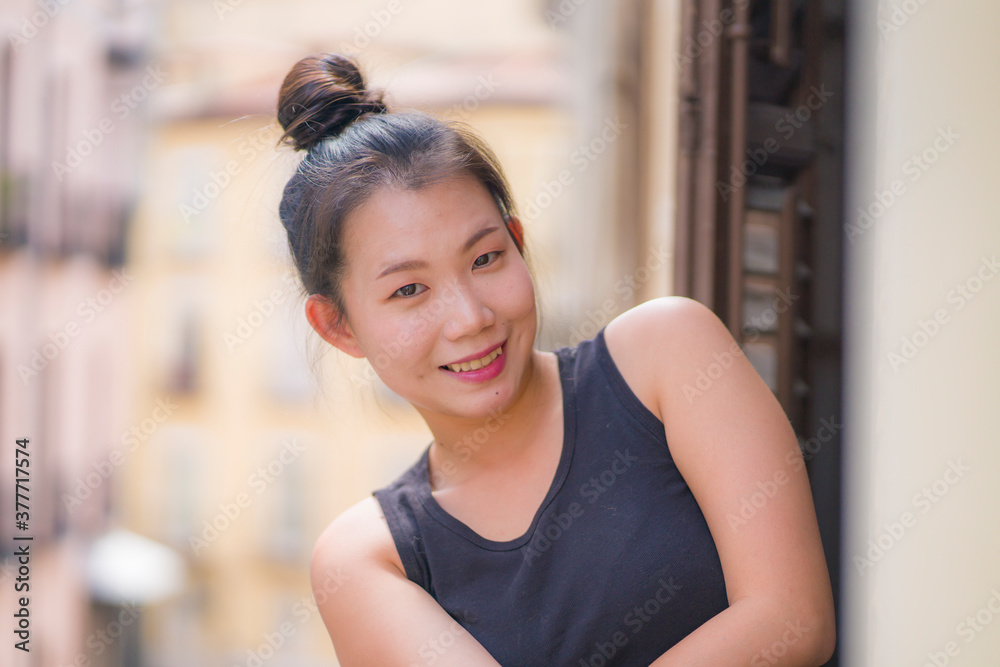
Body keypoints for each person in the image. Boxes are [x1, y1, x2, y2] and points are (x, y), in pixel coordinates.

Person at [275, 52, 836, 666]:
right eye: (409, 290)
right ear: (338, 325)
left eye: (485, 259)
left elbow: (791, 618)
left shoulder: (665, 359)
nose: (471, 318)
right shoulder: (368, 560)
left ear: (517, 243)